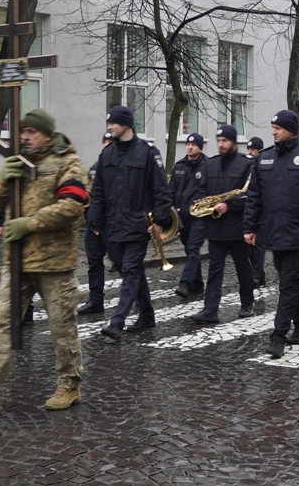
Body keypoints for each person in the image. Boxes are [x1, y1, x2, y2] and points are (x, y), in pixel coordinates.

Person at [0, 110, 90, 413]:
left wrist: (30, 223)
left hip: (54, 263)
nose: (24, 136)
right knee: (2, 323)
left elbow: (73, 204)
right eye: (22, 131)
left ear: (47, 134)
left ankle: (69, 385)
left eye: (30, 132)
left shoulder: (69, 163)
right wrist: (3, 180)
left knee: (62, 327)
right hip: (16, 260)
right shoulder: (18, 160)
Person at [243, 109, 299, 358]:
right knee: (287, 282)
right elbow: (254, 197)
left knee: (288, 284)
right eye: (272, 127)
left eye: (278, 128)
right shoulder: (264, 159)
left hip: (298, 233)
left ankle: (278, 335)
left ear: (291, 130)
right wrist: (249, 227)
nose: (273, 132)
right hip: (272, 232)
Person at [87, 105, 172, 341]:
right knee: (130, 272)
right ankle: (147, 314)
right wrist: (94, 220)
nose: (109, 127)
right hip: (113, 225)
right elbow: (100, 191)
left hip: (138, 224)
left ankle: (117, 322)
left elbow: (160, 190)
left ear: (126, 124)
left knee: (132, 270)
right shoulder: (108, 154)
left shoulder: (147, 153)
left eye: (113, 123)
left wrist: (160, 221)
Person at [191, 124, 256, 324]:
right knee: (214, 269)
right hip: (215, 227)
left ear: (233, 142)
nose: (221, 144)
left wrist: (229, 205)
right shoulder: (211, 164)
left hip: (236, 227)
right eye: (219, 141)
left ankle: (247, 303)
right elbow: (202, 191)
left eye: (225, 141)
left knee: (242, 267)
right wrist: (207, 207)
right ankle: (210, 309)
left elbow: (250, 195)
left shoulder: (245, 164)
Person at [78, 133, 123, 315]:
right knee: (94, 263)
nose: (106, 145)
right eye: (104, 142)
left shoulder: (122, 169)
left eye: (110, 143)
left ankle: (137, 295)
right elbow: (88, 197)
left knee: (122, 264)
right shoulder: (96, 168)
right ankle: (96, 300)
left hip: (113, 225)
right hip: (94, 225)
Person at [169, 132, 208, 299]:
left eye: (193, 144)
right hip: (182, 216)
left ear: (200, 147)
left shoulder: (208, 166)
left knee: (193, 248)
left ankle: (185, 283)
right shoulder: (179, 166)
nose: (190, 147)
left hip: (199, 217)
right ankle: (198, 285)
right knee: (189, 249)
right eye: (188, 144)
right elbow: (171, 191)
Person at [245, 136, 268, 287]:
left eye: (253, 150)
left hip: (262, 211)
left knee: (258, 246)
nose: (250, 152)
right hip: (250, 207)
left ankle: (258, 276)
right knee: (249, 246)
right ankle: (256, 274)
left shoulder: (262, 165)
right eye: (249, 149)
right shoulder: (248, 164)